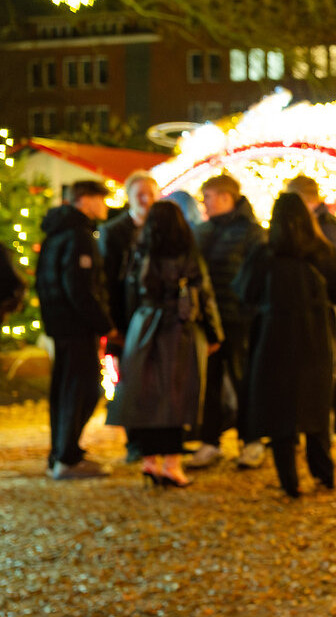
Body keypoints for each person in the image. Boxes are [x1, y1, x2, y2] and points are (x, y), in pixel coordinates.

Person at [233, 192, 336, 498]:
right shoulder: (323, 251)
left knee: (280, 407)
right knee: (316, 404)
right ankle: (324, 474)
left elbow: (245, 293)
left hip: (274, 335)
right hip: (314, 334)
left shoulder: (264, 252)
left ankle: (289, 481)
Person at [106, 200, 222, 488]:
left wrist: (122, 331)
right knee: (176, 395)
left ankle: (149, 461)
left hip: (143, 326)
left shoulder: (139, 251)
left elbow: (125, 292)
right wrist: (214, 333)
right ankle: (172, 464)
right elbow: (204, 294)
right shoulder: (188, 253)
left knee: (144, 395)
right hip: (179, 329)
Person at [34, 180, 117, 480]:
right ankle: (67, 458)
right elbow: (80, 288)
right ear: (86, 200)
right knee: (82, 391)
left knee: (66, 389)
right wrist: (104, 323)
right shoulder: (79, 236)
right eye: (101, 199)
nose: (105, 206)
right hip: (77, 327)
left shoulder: (56, 233)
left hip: (60, 326)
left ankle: (61, 453)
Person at [187, 173, 268, 469]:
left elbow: (258, 276)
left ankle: (251, 440)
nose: (204, 203)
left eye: (207, 197)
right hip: (208, 320)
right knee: (209, 384)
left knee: (243, 380)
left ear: (224, 197)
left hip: (238, 320)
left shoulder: (250, 232)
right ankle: (210, 441)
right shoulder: (202, 231)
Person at [285, 174, 336, 385]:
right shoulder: (325, 223)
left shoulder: (325, 226)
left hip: (330, 300)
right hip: (330, 299)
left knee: (323, 350)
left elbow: (333, 270)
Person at [97, 171, 159, 355]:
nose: (146, 199)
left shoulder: (165, 229)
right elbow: (106, 279)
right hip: (125, 315)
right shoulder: (112, 231)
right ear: (129, 197)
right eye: (140, 194)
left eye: (151, 194)